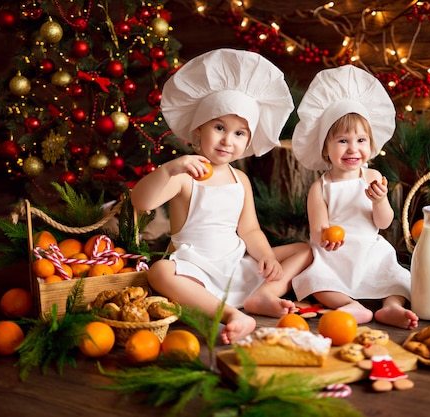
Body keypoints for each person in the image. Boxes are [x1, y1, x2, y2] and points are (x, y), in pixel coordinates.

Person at [131, 49, 312, 344]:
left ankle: (262, 295)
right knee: (160, 271)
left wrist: (265, 255)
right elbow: (142, 202)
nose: (228, 140)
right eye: (219, 128)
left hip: (235, 261)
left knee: (304, 249)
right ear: (198, 129)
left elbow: (249, 229)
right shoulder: (186, 174)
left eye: (240, 133)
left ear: (248, 140)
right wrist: (167, 170)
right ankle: (230, 314)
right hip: (196, 269)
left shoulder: (239, 179)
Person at [291, 65, 418, 330]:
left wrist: (380, 201)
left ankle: (391, 307)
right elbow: (317, 229)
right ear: (326, 147)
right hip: (334, 253)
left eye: (361, 140)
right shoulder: (321, 186)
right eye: (342, 141)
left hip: (369, 248)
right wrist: (324, 236)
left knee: (396, 278)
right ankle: (349, 306)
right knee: (315, 280)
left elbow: (383, 223)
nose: (353, 149)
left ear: (371, 145)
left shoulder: (372, 177)